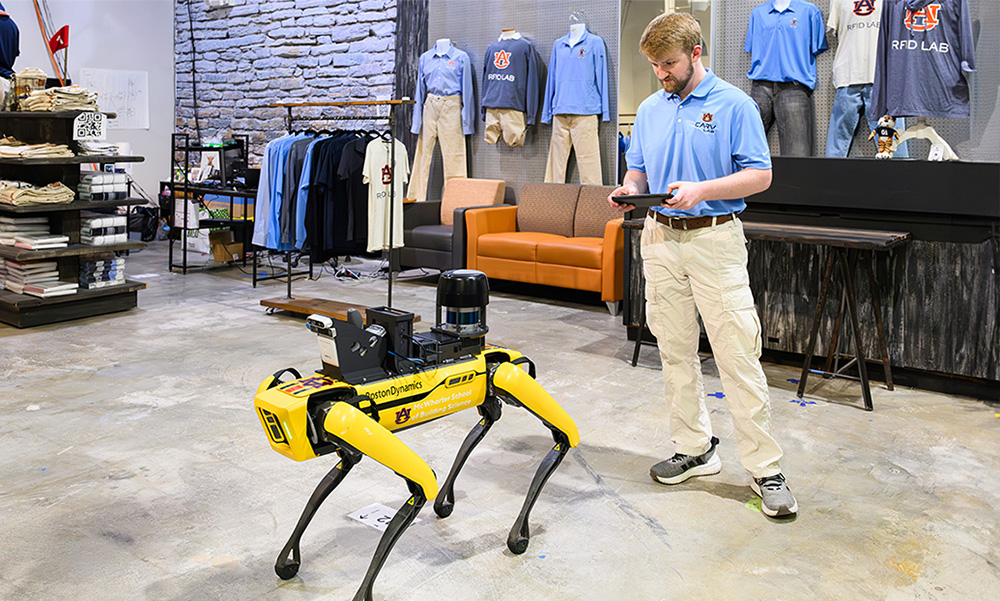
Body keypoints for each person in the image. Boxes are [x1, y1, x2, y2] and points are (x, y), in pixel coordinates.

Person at [608, 12, 796, 517]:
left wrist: (702, 191)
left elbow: (760, 175)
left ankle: (765, 469)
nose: (661, 74)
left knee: (737, 354)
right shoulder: (650, 109)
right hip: (659, 237)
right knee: (674, 350)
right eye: (653, 65)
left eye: (668, 64)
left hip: (715, 238)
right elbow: (637, 169)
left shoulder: (735, 105)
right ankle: (694, 448)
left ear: (696, 53)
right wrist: (628, 190)